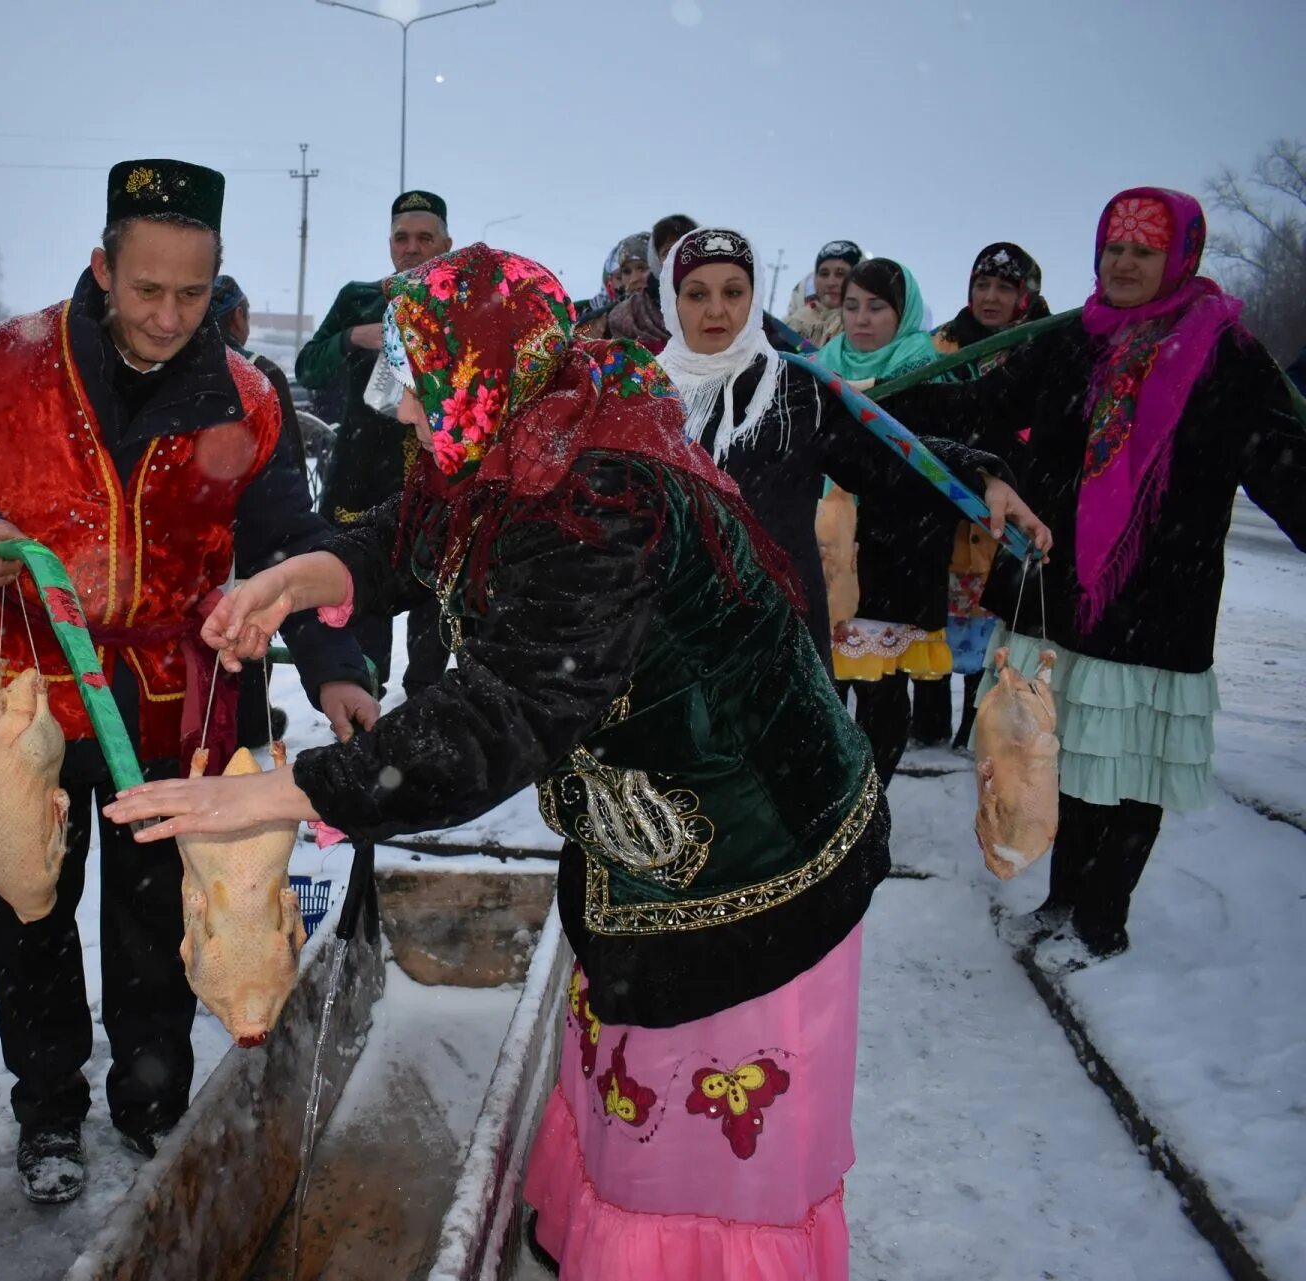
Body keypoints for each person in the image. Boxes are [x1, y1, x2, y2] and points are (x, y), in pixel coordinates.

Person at [106, 244, 895, 1277]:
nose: (404, 412)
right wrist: (307, 573)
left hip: (754, 844)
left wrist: (293, 792)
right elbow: (418, 527)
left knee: (704, 1108)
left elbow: (501, 713)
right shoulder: (528, 425)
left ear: (483, 371)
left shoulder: (599, 495)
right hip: (655, 824)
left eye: (417, 384)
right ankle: (614, 1229)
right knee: (631, 1068)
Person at [0, 159, 377, 1203]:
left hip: (173, 697)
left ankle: (152, 1101)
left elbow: (291, 545)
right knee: (29, 906)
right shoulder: (5, 365)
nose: (167, 315)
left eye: (192, 293)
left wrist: (336, 668)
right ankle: (47, 1109)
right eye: (147, 288)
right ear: (103, 267)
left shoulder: (249, 398)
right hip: (30, 686)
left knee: (161, 910)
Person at [889, 187, 1306, 965]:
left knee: (1133, 766)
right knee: (1070, 758)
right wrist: (869, 406)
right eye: (1114, 248)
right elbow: (982, 404)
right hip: (1062, 589)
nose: (1123, 264)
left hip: (1161, 602)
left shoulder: (1226, 354)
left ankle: (1102, 922)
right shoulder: (1072, 339)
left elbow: (1284, 466)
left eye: (1144, 251)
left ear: (1181, 258)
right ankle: (1062, 901)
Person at [656, 227, 1040, 669]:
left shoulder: (794, 389)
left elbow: (889, 456)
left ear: (753, 297)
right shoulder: (638, 393)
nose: (716, 309)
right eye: (696, 294)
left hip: (774, 638)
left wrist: (982, 478)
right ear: (673, 301)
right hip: (664, 638)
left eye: (733, 292)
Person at [296, 190, 456, 696]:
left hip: (438, 479)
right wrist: (352, 338)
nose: (412, 248)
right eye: (401, 237)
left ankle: (428, 709)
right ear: (389, 243)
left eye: (424, 237)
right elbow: (307, 367)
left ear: (446, 244)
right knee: (359, 595)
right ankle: (362, 707)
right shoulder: (359, 298)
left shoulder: (461, 303)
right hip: (360, 479)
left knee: (436, 604)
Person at [815, 258, 958, 786]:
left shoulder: (926, 373)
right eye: (852, 306)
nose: (862, 319)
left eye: (877, 307)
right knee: (822, 688)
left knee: (880, 694)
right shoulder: (821, 368)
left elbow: (939, 463)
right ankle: (826, 796)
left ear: (904, 312)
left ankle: (870, 797)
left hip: (896, 557)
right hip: (827, 553)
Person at [924, 242, 1050, 748]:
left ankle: (977, 725)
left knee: (991, 613)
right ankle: (929, 722)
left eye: (1004, 287)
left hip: (1013, 499)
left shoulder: (1040, 348)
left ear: (1025, 296)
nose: (990, 297)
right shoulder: (942, 344)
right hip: (945, 492)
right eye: (982, 284)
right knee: (936, 608)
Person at [211, 273, 296, 747]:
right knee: (249, 634)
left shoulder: (178, 369)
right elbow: (289, 465)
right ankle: (250, 724)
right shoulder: (259, 374)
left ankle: (216, 725)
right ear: (239, 317)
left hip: (201, 539)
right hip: (252, 535)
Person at [607, 213, 697, 353]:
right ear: (656, 261)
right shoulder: (620, 317)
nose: (634, 279)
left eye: (642, 268)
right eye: (626, 271)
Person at [784, 239, 863, 347]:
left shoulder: (867, 324)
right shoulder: (794, 323)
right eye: (824, 274)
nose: (831, 283)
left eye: (840, 274)